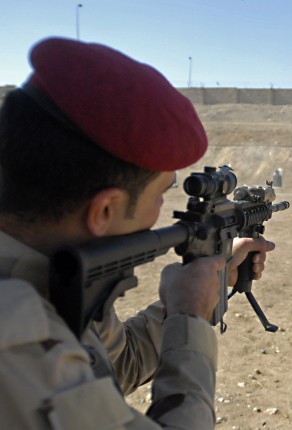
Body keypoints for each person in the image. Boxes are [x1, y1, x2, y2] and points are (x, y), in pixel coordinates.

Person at [0, 37, 275, 429]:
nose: (162, 214)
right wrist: (192, 318)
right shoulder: (19, 351)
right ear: (106, 210)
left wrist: (183, 307)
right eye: (163, 195)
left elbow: (116, 368)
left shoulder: (50, 276)